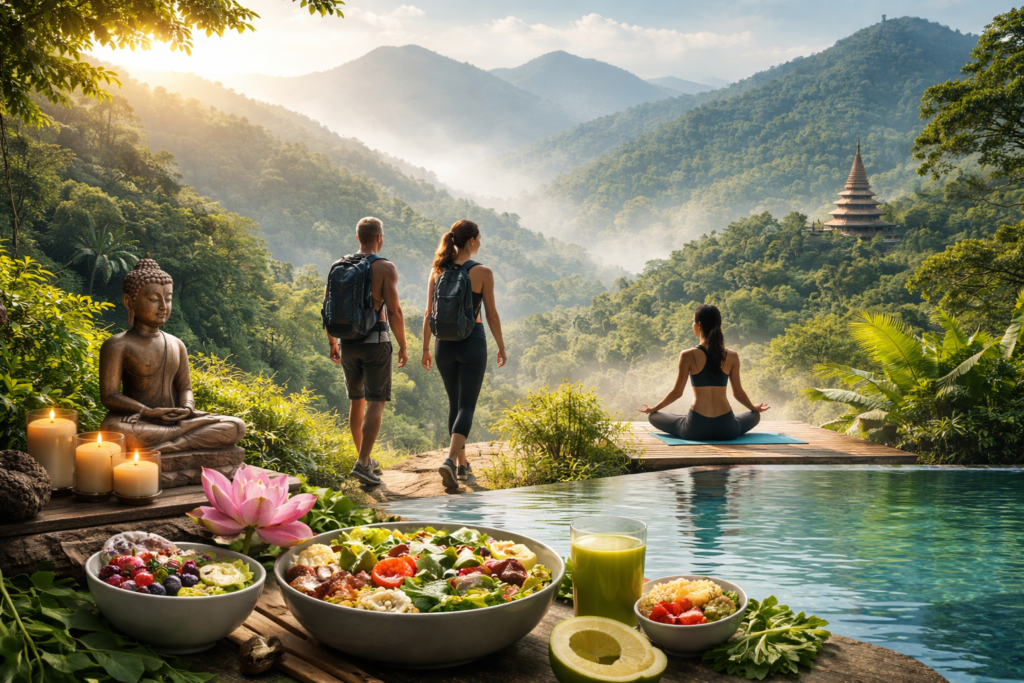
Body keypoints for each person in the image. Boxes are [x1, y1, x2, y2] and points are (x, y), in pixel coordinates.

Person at [421, 220, 507, 488]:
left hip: (443, 344)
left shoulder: (437, 270)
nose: (481, 242)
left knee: (454, 404)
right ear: (471, 240)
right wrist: (501, 346)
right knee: (467, 405)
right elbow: (491, 315)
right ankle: (449, 460)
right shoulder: (483, 272)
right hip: (472, 342)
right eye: (479, 238)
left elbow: (428, 313)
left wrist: (425, 347)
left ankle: (461, 466)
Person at [325, 217, 408, 486]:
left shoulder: (339, 266)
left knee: (356, 401)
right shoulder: (384, 267)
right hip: (375, 343)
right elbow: (394, 310)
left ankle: (365, 458)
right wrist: (404, 345)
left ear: (357, 237)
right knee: (376, 402)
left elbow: (328, 307)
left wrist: (333, 342)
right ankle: (362, 463)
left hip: (347, 343)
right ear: (379, 238)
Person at [638, 304, 768, 440]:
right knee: (754, 415)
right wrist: (753, 407)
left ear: (698, 325)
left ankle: (684, 419)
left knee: (654, 416)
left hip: (695, 429)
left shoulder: (687, 354)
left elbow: (677, 393)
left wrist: (654, 408)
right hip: (727, 429)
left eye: (693, 322)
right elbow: (738, 393)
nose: (692, 325)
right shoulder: (732, 355)